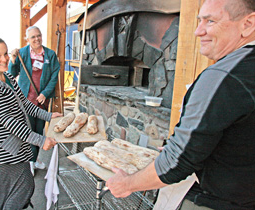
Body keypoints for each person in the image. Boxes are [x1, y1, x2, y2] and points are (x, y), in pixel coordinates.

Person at [106, 0, 255, 209]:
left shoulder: (223, 76)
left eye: (210, 21)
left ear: (248, 24)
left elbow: (177, 161)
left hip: (217, 200)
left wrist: (126, 184)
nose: (198, 31)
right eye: (199, 21)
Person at [0, 34, 62, 209]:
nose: (4, 59)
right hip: (5, 149)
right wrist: (40, 140)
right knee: (17, 189)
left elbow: (25, 105)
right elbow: (10, 122)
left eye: (6, 53)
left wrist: (48, 116)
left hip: (16, 146)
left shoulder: (6, 76)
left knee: (3, 192)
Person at [8, 26, 60, 175]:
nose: (36, 39)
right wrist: (13, 60)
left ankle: (35, 159)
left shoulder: (49, 54)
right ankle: (29, 161)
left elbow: (54, 76)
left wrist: (45, 93)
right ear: (27, 39)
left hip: (42, 100)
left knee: (39, 129)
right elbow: (12, 74)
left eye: (38, 36)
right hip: (26, 99)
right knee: (28, 130)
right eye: (33, 37)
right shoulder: (22, 53)